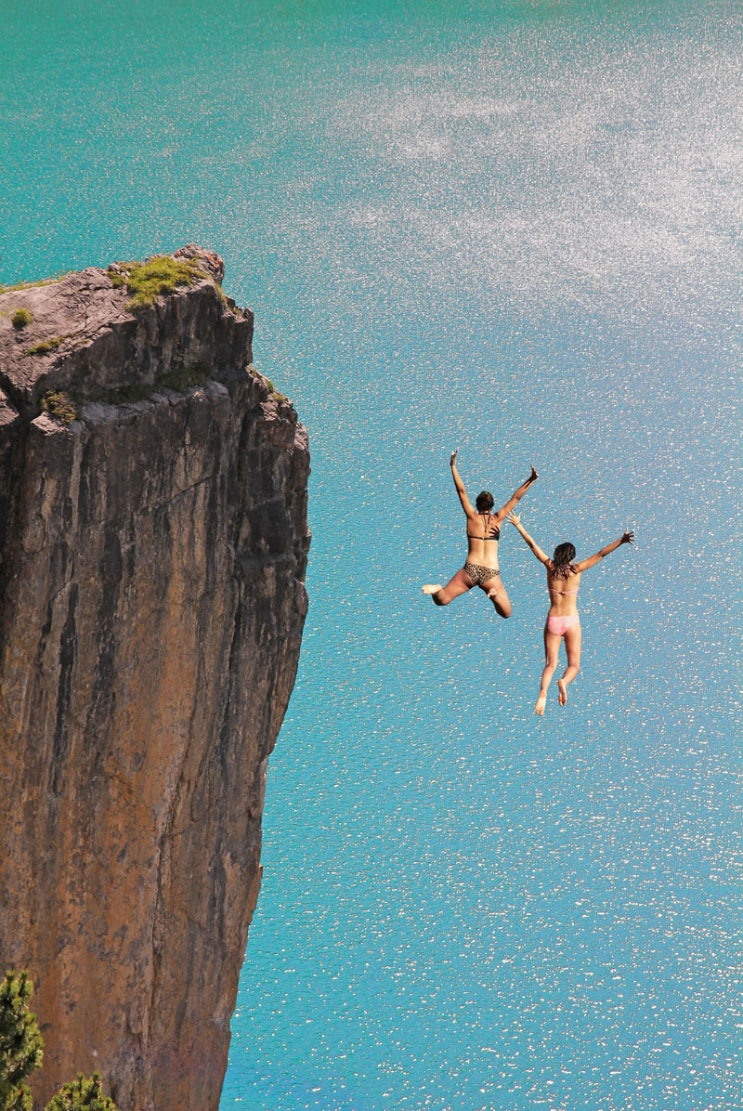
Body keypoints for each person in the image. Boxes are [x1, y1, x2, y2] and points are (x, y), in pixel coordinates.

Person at [507, 512, 634, 714]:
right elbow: (601, 553)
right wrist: (622, 540)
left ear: (558, 555)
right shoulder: (577, 570)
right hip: (571, 621)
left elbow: (533, 546)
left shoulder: (549, 567)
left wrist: (518, 525)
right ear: (572, 557)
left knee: (550, 664)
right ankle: (564, 682)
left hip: (553, 620)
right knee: (574, 665)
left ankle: (542, 694)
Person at [422, 450, 538, 618]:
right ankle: (495, 595)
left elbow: (461, 491)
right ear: (492, 506)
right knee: (506, 612)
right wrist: (531, 479)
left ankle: (438, 589)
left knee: (443, 599)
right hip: (490, 572)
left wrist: (453, 466)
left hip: (471, 569)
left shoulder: (471, 516)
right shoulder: (497, 519)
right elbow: (515, 498)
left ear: (477, 504)